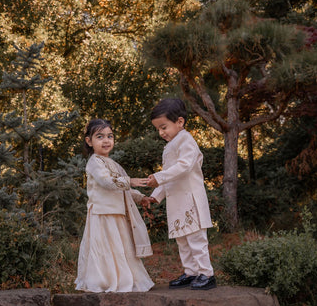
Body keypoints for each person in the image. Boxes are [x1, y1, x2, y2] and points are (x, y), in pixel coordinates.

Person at [142, 98, 216, 290]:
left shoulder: (187, 141)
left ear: (180, 122)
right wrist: (156, 195)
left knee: (195, 239)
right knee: (182, 239)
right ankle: (191, 272)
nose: (161, 132)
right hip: (176, 202)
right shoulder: (170, 146)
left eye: (164, 127)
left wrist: (158, 177)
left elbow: (183, 167)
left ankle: (206, 274)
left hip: (190, 200)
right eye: (158, 129)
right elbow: (170, 178)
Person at [75, 118, 154, 292]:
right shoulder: (94, 162)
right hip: (103, 214)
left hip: (118, 213)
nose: (106, 140)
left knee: (121, 248)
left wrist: (141, 198)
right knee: (104, 248)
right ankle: (104, 279)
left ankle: (125, 278)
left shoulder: (113, 164)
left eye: (110, 136)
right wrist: (130, 180)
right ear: (89, 141)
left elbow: (122, 190)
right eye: (100, 136)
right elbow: (107, 182)